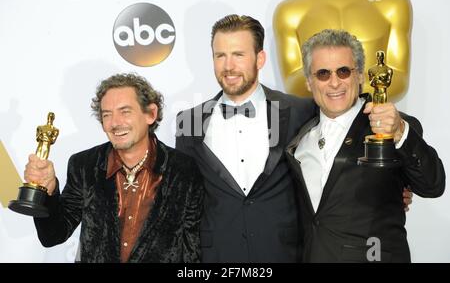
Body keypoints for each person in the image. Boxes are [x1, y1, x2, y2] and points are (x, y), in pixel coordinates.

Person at [285, 29, 445, 262]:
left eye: (343, 71)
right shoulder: (299, 140)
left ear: (359, 76)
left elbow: (433, 185)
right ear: (309, 82)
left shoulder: (392, 128)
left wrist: (400, 131)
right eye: (322, 73)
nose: (334, 82)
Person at [176, 14, 316, 262]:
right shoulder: (189, 122)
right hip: (217, 256)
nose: (228, 66)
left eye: (238, 55)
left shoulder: (299, 111)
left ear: (260, 58)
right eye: (220, 55)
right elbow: (184, 201)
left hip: (283, 253)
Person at [24, 73, 204, 262]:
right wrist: (47, 192)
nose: (115, 123)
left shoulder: (183, 169)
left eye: (125, 112)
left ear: (151, 114)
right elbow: (53, 235)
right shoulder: (84, 165)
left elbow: (192, 249)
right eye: (106, 115)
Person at [273, 0, 412, 101]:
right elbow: (292, 82)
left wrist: (340, 90)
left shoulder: (394, 4)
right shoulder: (289, 11)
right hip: (318, 124)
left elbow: (399, 78)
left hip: (377, 124)